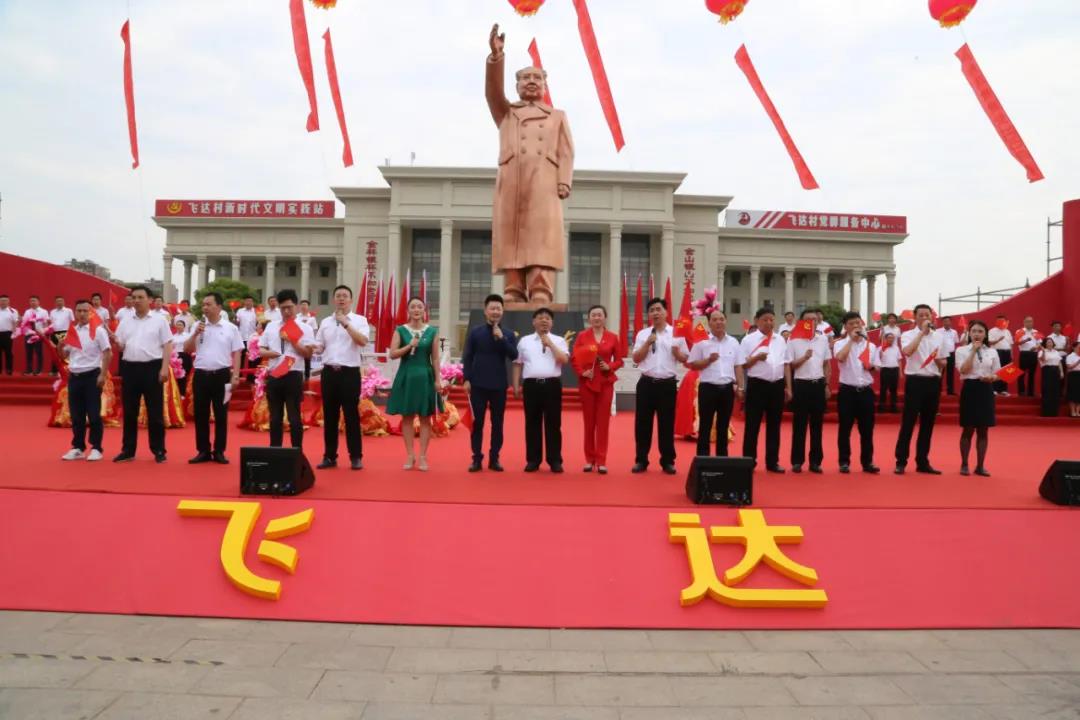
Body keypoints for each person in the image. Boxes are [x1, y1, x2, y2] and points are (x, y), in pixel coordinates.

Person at [486, 24, 574, 303]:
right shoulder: (506, 112)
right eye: (526, 78)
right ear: (517, 86)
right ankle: (513, 287)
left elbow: (566, 151)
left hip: (543, 181)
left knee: (541, 235)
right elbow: (492, 93)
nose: (532, 81)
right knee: (512, 235)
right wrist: (496, 58)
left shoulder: (557, 116)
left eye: (537, 78)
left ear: (545, 86)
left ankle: (540, 288)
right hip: (512, 179)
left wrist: (564, 180)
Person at [112, 285, 173, 462]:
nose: (136, 301)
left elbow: (168, 344)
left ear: (150, 300)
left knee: (155, 412)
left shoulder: (159, 320)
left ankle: (159, 450)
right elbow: (121, 346)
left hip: (152, 368)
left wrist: (164, 368)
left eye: (140, 297)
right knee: (130, 411)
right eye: (134, 297)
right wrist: (116, 342)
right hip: (130, 368)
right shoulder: (125, 321)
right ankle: (128, 450)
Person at [313, 285, 369, 470]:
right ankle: (329, 456)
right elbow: (320, 346)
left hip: (349, 373)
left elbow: (362, 341)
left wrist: (345, 323)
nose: (341, 299)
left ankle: (356, 456)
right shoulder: (325, 322)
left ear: (351, 300)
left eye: (345, 296)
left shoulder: (359, 320)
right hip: (329, 373)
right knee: (330, 416)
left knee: (351, 415)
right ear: (334, 300)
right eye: (338, 296)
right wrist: (311, 347)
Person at [184, 292, 243, 464]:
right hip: (201, 375)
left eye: (209, 304)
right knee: (201, 414)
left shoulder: (230, 328)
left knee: (221, 414)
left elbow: (237, 352)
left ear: (219, 307)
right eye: (203, 305)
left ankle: (219, 451)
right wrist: (195, 334)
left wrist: (236, 375)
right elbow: (187, 349)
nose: (205, 308)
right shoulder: (198, 325)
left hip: (222, 375)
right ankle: (203, 450)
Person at [462, 294, 518, 472]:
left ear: (503, 311)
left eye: (498, 309)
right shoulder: (476, 332)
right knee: (477, 423)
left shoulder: (508, 334)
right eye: (492, 308)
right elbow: (468, 356)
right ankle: (476, 458)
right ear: (485, 311)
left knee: (497, 423)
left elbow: (514, 355)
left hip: (499, 385)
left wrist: (502, 339)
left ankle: (494, 458)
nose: (495, 312)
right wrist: (466, 379)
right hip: (477, 384)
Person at [632, 298, 689, 474]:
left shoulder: (677, 333)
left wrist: (677, 353)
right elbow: (636, 358)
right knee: (643, 424)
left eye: (659, 309)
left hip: (667, 385)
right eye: (652, 310)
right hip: (646, 383)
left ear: (666, 312)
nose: (655, 313)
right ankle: (641, 460)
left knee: (666, 424)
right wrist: (647, 343)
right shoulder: (643, 334)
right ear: (649, 315)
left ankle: (667, 461)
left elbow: (685, 359)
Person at [387, 297, 442, 471]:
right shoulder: (400, 330)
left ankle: (423, 456)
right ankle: (410, 455)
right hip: (407, 376)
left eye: (419, 307)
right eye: (413, 307)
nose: (416, 309)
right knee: (407, 417)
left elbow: (435, 358)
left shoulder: (432, 331)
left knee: (425, 417)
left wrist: (438, 379)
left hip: (425, 377)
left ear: (424, 310)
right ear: (408, 310)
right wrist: (409, 346)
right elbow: (392, 354)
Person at [512, 308, 569, 473]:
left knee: (553, 423)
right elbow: (517, 363)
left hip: (552, 385)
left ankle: (554, 460)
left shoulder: (559, 340)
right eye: (540, 318)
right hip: (531, 385)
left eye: (547, 318)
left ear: (552, 322)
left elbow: (564, 359)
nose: (544, 321)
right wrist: (515, 385)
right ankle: (533, 460)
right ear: (533, 321)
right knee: (532, 423)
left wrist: (550, 344)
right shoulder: (525, 341)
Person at [259, 290, 316, 448]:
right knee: (275, 418)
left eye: (289, 307)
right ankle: (275, 451)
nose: (286, 311)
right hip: (274, 375)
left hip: (293, 375)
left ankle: (296, 451)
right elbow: (261, 349)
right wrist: (270, 353)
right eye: (283, 308)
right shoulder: (271, 326)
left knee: (294, 417)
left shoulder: (305, 328)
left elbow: (308, 354)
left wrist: (292, 340)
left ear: (296, 306)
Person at [895, 304, 947, 474]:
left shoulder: (939, 336)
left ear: (932, 317)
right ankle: (901, 461)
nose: (925, 318)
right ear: (915, 317)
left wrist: (939, 361)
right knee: (908, 422)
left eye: (927, 315)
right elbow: (908, 352)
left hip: (933, 382)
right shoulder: (907, 335)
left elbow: (943, 361)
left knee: (928, 423)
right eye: (921, 315)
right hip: (915, 381)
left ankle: (922, 462)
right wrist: (921, 333)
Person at [737, 307, 791, 472]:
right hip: (757, 385)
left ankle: (772, 462)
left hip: (777, 386)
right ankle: (749, 461)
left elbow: (785, 364)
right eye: (765, 320)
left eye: (771, 320)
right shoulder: (748, 340)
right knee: (752, 425)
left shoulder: (780, 340)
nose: (769, 323)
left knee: (774, 426)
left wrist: (788, 387)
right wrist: (756, 358)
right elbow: (742, 364)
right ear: (756, 321)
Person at [571, 305, 622, 473]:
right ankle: (589, 459)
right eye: (593, 315)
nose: (597, 318)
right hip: (588, 383)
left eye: (600, 315)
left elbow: (619, 360)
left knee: (603, 423)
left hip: (605, 383)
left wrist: (610, 366)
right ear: (589, 318)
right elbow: (575, 358)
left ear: (605, 317)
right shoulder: (582, 336)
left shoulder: (613, 337)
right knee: (589, 423)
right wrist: (582, 372)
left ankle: (601, 460)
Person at [60, 300, 113, 461]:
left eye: (85, 310)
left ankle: (96, 448)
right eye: (79, 311)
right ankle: (78, 447)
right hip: (75, 376)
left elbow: (108, 353)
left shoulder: (98, 330)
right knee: (77, 415)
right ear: (75, 312)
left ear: (90, 312)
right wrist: (59, 346)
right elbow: (65, 355)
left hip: (92, 376)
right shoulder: (72, 331)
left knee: (94, 414)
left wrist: (103, 374)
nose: (82, 314)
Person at [687, 308, 741, 458]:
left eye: (721, 319)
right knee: (705, 425)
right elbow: (692, 365)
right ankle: (703, 459)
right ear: (709, 323)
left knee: (723, 426)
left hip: (727, 389)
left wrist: (741, 387)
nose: (719, 322)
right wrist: (708, 360)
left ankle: (722, 459)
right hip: (708, 388)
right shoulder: (701, 341)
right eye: (715, 320)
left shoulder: (733, 342)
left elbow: (738, 365)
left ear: (726, 321)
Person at [834, 311, 881, 474]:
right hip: (847, 391)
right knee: (845, 428)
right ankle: (844, 462)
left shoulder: (871, 346)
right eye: (851, 324)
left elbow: (877, 367)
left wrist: (871, 367)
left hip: (866, 391)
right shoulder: (840, 343)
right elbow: (840, 358)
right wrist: (851, 341)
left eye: (858, 323)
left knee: (867, 429)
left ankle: (867, 462)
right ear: (845, 327)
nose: (856, 326)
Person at [786, 309, 831, 473]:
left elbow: (826, 364)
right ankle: (797, 461)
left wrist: (826, 384)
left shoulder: (823, 339)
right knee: (799, 425)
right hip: (801, 385)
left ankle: (815, 462)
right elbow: (790, 365)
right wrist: (804, 357)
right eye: (808, 320)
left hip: (818, 384)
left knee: (817, 425)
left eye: (814, 320)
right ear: (801, 322)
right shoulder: (793, 340)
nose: (812, 322)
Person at [954, 320, 1000, 476]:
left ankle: (980, 466)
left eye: (980, 331)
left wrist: (992, 377)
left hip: (986, 389)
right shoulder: (961, 350)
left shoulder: (992, 352)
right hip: (970, 389)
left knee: (983, 429)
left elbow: (998, 373)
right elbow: (963, 370)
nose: (977, 334)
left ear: (985, 334)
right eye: (974, 331)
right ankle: (964, 464)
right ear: (969, 333)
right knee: (968, 428)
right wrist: (973, 350)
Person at [987, 314, 1013, 397]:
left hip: (1007, 352)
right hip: (997, 352)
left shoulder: (1007, 331)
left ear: (1005, 321)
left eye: (1003, 320)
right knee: (996, 370)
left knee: (1006, 371)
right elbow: (989, 342)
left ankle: (1003, 390)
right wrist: (998, 340)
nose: (1001, 322)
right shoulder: (992, 331)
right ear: (996, 321)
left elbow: (1010, 344)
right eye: (999, 321)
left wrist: (1011, 354)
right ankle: (994, 389)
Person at [21, 296, 48, 375]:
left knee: (38, 352)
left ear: (38, 302)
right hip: (28, 334)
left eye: (34, 300)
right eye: (31, 301)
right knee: (29, 352)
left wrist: (45, 333)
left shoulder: (43, 311)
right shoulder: (27, 311)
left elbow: (46, 323)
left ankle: (39, 370)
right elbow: (24, 323)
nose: (32, 302)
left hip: (38, 334)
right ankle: (29, 369)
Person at [48, 296, 75, 376]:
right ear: (55, 303)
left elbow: (73, 322)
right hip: (55, 334)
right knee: (55, 353)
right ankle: (54, 371)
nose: (59, 302)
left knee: (65, 353)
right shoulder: (52, 312)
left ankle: (66, 370)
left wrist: (71, 334)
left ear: (63, 302)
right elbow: (51, 323)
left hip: (65, 333)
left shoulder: (68, 311)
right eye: (58, 301)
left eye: (61, 301)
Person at [878, 327, 901, 413]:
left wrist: (900, 372)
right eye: (889, 338)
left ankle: (893, 406)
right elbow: (877, 360)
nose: (891, 339)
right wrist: (880, 354)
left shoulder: (896, 348)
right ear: (885, 339)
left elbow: (899, 360)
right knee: (883, 389)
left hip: (895, 370)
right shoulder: (881, 348)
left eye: (892, 338)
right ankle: (881, 406)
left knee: (894, 389)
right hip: (885, 370)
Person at [1038, 337, 1063, 417]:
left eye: (1051, 342)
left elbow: (1059, 362)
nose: (1050, 343)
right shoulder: (1041, 352)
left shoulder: (1056, 352)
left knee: (1055, 391)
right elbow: (1043, 360)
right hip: (1047, 371)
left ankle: (1054, 411)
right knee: (1047, 390)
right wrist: (1043, 351)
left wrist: (1061, 372)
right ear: (1045, 344)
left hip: (1055, 371)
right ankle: (1046, 412)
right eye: (1048, 342)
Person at [1015, 316, 1040, 398]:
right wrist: (1026, 340)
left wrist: (1036, 347)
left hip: (1033, 354)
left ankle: (1030, 392)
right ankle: (1021, 391)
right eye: (1027, 321)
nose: (1029, 323)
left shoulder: (1036, 332)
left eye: (1031, 321)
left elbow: (1039, 343)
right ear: (1024, 322)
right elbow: (1017, 343)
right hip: (1024, 353)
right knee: (1021, 373)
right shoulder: (1020, 331)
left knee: (1032, 373)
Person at [235, 295, 259, 379]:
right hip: (242, 338)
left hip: (253, 339)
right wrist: (235, 320)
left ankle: (251, 377)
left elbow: (260, 323)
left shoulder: (256, 311)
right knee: (241, 356)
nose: (248, 303)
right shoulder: (240, 311)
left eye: (250, 301)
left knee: (253, 357)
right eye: (247, 301)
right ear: (244, 302)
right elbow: (237, 323)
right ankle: (239, 374)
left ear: (252, 302)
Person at [935, 316, 960, 395]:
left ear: (950, 322)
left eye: (948, 321)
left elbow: (956, 342)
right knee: (940, 372)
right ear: (942, 322)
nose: (947, 323)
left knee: (950, 372)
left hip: (951, 354)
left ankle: (950, 391)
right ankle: (938, 390)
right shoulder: (938, 331)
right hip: (941, 354)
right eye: (945, 321)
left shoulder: (954, 332)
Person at [298, 299, 319, 379]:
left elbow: (315, 331)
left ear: (308, 307)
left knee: (307, 361)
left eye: (305, 305)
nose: (303, 306)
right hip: (299, 342)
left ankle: (307, 378)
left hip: (308, 343)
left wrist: (314, 342)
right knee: (298, 360)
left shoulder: (312, 318)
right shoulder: (297, 317)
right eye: (302, 305)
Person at [0, 295, 18, 375]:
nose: (3, 302)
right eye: (2, 300)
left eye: (5, 300)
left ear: (8, 301)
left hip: (8, 334)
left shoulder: (13, 311)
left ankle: (9, 369)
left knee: (8, 352)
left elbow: (15, 322)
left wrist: (14, 331)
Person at [1065, 341, 1080, 418]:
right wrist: (1078, 361)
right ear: (1074, 347)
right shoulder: (1070, 356)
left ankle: (1077, 411)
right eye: (1078, 347)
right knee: (1072, 393)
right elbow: (1069, 367)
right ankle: (1072, 411)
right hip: (1073, 375)